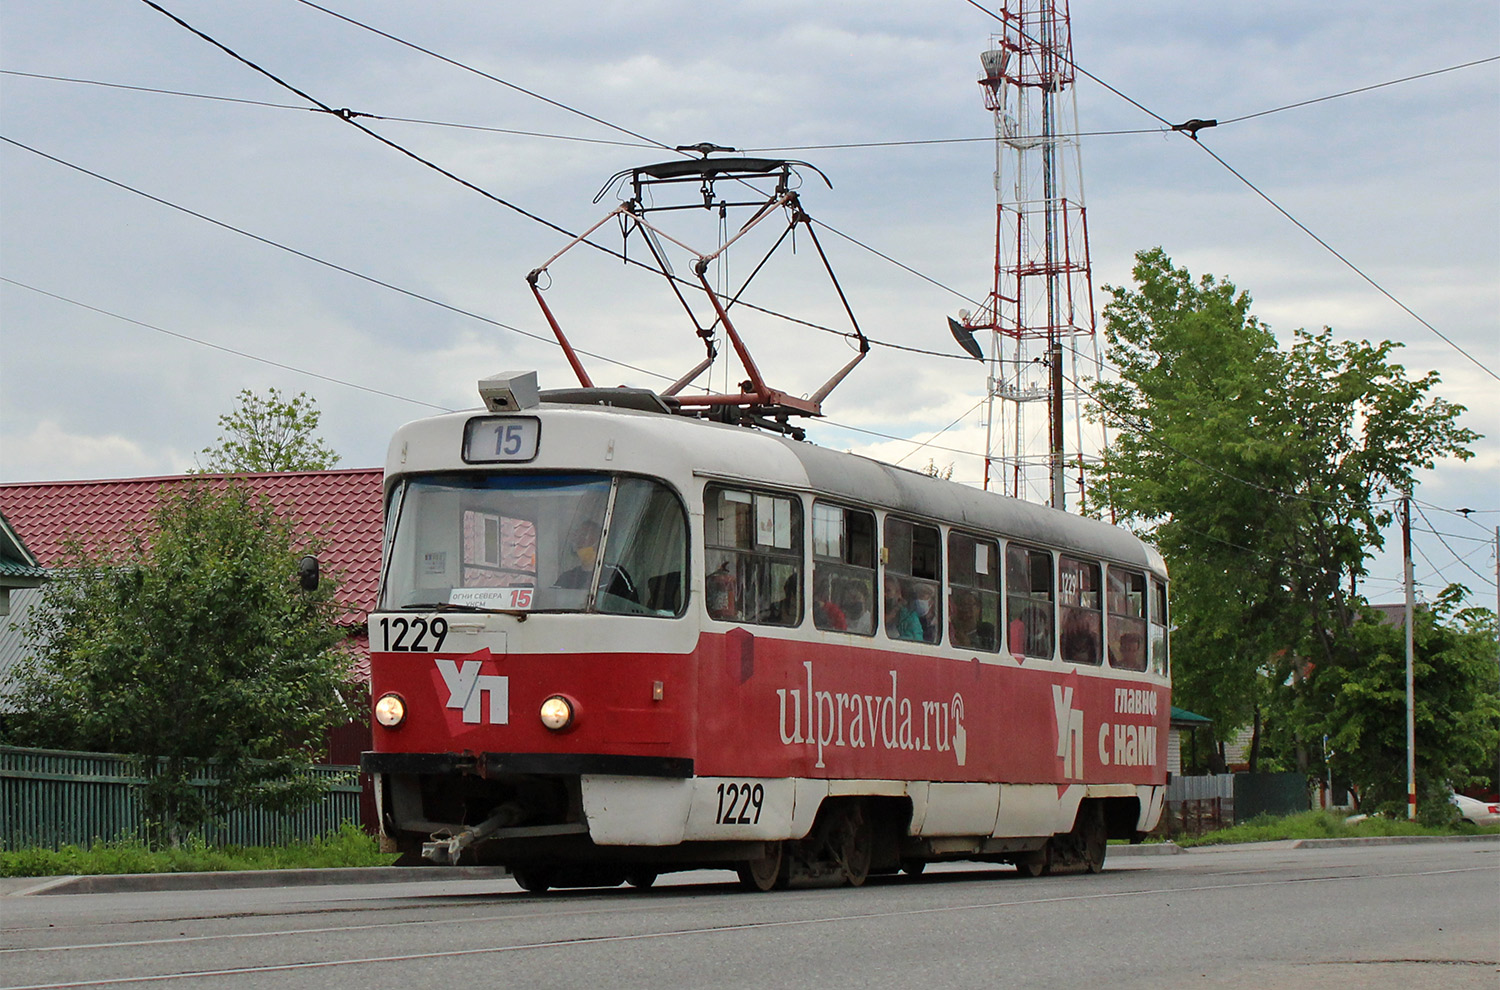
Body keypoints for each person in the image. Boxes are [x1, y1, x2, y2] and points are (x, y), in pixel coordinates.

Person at [883, 574, 924, 642]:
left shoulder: (909, 616)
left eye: (888, 591)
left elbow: (916, 639)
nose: (884, 594)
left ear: (898, 593)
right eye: (882, 590)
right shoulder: (874, 612)